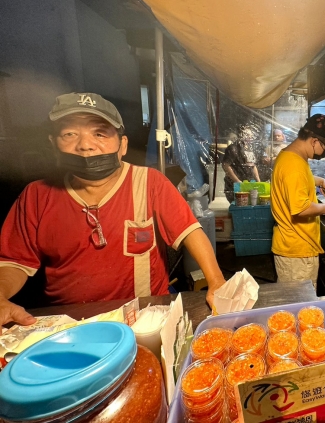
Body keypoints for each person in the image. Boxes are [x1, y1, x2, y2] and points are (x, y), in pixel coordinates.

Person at [0, 93, 226, 327]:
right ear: (53, 144)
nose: (85, 145)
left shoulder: (150, 183)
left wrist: (216, 280)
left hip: (143, 318)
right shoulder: (36, 196)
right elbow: (13, 263)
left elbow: (190, 231)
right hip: (68, 324)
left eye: (99, 133)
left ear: (122, 145)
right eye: (70, 134)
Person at [271, 114, 325, 285]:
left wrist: (320, 181)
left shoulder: (291, 155)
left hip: (293, 248)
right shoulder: (294, 165)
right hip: (297, 254)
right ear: (314, 141)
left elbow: (301, 179)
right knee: (300, 308)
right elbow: (300, 209)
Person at [222, 125, 261, 203]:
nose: (250, 137)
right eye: (247, 135)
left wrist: (258, 181)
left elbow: (253, 165)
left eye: (251, 135)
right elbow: (225, 165)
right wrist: (237, 181)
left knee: (250, 203)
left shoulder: (249, 149)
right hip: (236, 184)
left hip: (249, 183)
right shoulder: (233, 148)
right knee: (238, 204)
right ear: (240, 135)